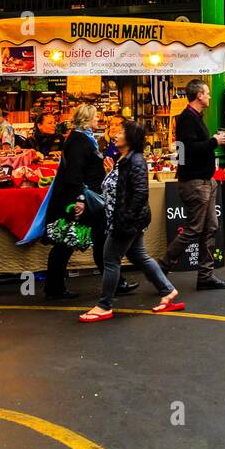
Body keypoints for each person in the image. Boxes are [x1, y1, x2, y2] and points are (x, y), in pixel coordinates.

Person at [79, 121, 179, 322]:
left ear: (131, 138)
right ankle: (168, 291)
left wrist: (124, 221)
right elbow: (122, 188)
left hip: (126, 220)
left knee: (110, 259)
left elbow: (140, 193)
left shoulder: (136, 161)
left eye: (122, 131)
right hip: (127, 219)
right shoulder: (124, 158)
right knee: (139, 255)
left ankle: (104, 305)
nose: (116, 134)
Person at [160, 79, 225, 290]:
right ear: (199, 95)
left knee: (210, 227)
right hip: (195, 183)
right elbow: (188, 150)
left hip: (204, 181)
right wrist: (214, 141)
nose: (210, 96)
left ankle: (205, 275)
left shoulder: (194, 118)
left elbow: (184, 152)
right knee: (194, 229)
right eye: (207, 93)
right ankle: (161, 267)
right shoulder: (186, 119)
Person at [43, 103, 110, 299]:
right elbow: (75, 173)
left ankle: (114, 281)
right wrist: (80, 199)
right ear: (87, 120)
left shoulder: (82, 139)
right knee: (66, 242)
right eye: (96, 117)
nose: (98, 120)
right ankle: (54, 288)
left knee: (99, 240)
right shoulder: (79, 141)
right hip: (81, 200)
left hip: (86, 198)